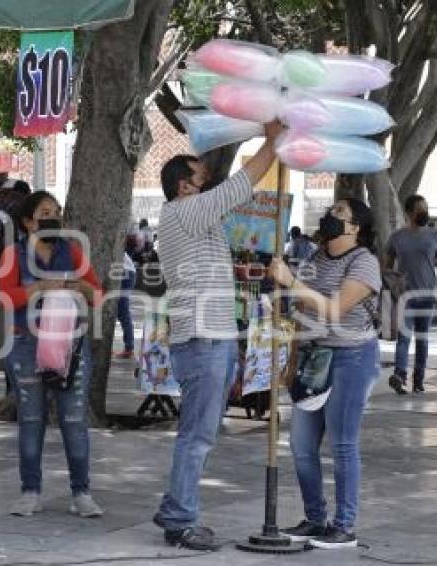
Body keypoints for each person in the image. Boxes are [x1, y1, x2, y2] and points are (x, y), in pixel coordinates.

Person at [151, 119, 284, 552]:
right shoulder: (186, 211)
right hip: (205, 339)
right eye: (201, 176)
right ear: (184, 186)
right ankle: (180, 519)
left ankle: (176, 505)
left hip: (211, 337)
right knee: (198, 435)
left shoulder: (190, 218)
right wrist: (272, 138)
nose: (208, 180)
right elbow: (243, 183)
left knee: (199, 432)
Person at [268, 198, 381, 550]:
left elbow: (335, 309)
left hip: (352, 357)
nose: (331, 217)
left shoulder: (365, 262)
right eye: (331, 211)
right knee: (302, 444)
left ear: (355, 228)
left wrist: (290, 281)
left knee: (342, 442)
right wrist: (291, 360)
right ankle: (315, 518)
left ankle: (344, 525)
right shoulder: (315, 259)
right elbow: (303, 312)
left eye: (340, 214)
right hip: (314, 357)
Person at [0, 191, 104, 518]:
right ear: (28, 221)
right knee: (31, 419)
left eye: (56, 211)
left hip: (70, 347)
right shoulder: (12, 255)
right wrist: (39, 288)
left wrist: (76, 286)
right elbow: (4, 297)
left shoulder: (72, 253)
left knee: (74, 419)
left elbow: (97, 295)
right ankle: (30, 491)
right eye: (45, 212)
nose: (53, 217)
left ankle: (81, 492)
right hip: (26, 345)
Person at [384, 195, 437, 395]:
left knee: (422, 339)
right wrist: (392, 282)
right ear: (409, 212)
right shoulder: (397, 237)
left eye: (426, 208)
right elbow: (386, 266)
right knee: (403, 338)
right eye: (420, 209)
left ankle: (419, 380)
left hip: (428, 295)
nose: (424, 213)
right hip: (406, 297)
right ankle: (400, 376)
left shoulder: (435, 235)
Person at [115, 251, 137, 358]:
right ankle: (129, 347)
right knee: (121, 310)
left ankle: (129, 347)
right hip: (125, 270)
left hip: (125, 271)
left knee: (122, 310)